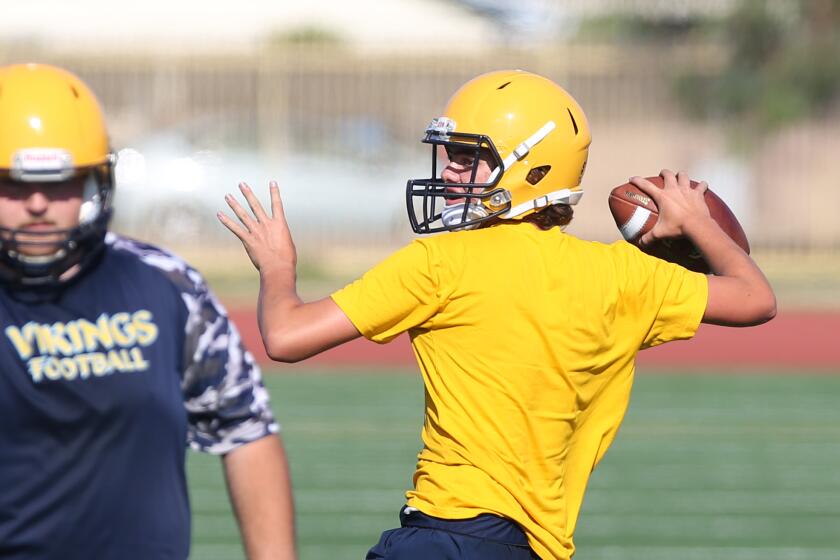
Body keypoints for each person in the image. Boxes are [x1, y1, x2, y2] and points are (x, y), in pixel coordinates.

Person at [219, 69, 776, 559]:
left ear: (533, 170)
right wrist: (696, 219)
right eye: (451, 155)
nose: (452, 173)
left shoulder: (441, 262)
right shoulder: (622, 276)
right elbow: (755, 298)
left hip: (443, 533)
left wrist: (276, 267)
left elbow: (287, 335)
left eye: (469, 157)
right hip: (534, 547)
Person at [0, 63, 296, 560]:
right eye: (12, 184)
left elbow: (246, 429)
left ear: (96, 182)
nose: (36, 204)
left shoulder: (165, 286)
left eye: (58, 184)